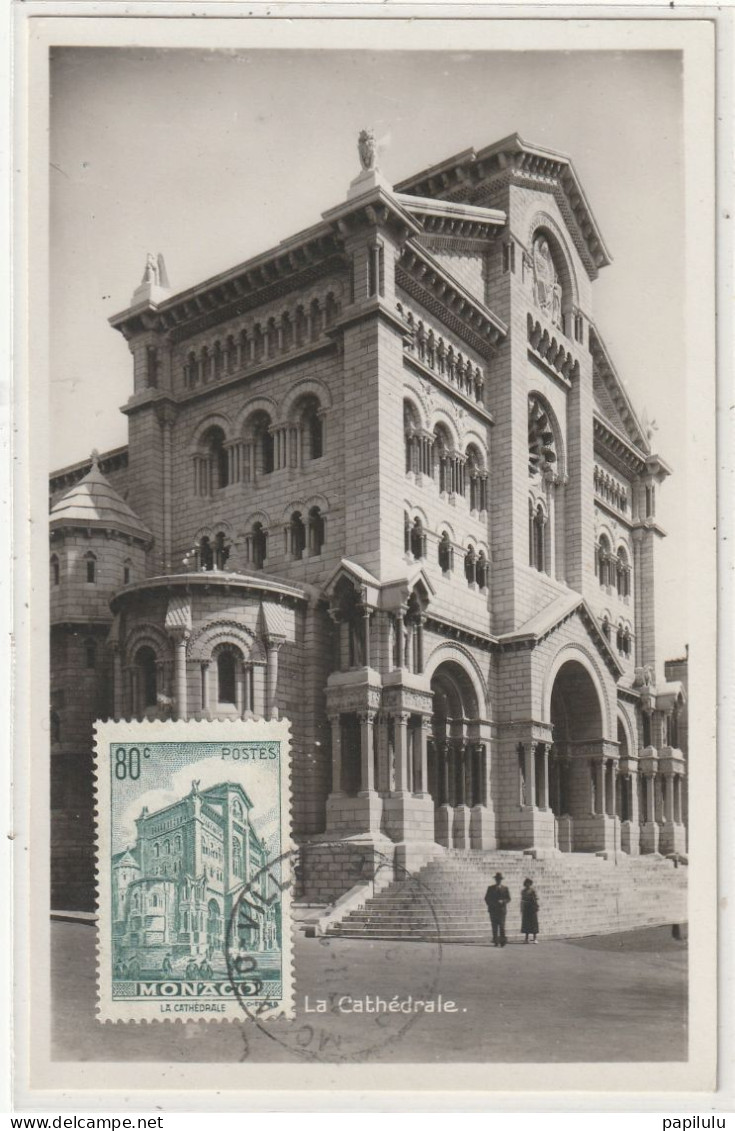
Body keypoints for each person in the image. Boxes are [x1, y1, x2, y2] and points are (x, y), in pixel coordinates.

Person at [484, 872, 511, 947]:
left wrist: (503, 901)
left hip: (502, 910)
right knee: (494, 927)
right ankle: (495, 941)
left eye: (499, 879)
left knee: (502, 926)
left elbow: (508, 898)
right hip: (493, 910)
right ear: (495, 880)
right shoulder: (490, 888)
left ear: (501, 880)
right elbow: (486, 898)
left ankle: (502, 941)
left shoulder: (505, 888)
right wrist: (492, 904)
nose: (498, 880)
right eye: (497, 879)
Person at [520, 878, 540, 944]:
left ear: (530, 884)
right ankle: (526, 938)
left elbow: (536, 898)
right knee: (526, 923)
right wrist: (522, 908)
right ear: (525, 884)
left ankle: (535, 938)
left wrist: (536, 905)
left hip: (532, 907)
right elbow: (522, 900)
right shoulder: (523, 891)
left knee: (534, 923)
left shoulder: (533, 890)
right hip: (526, 908)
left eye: (529, 883)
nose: (527, 884)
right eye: (526, 883)